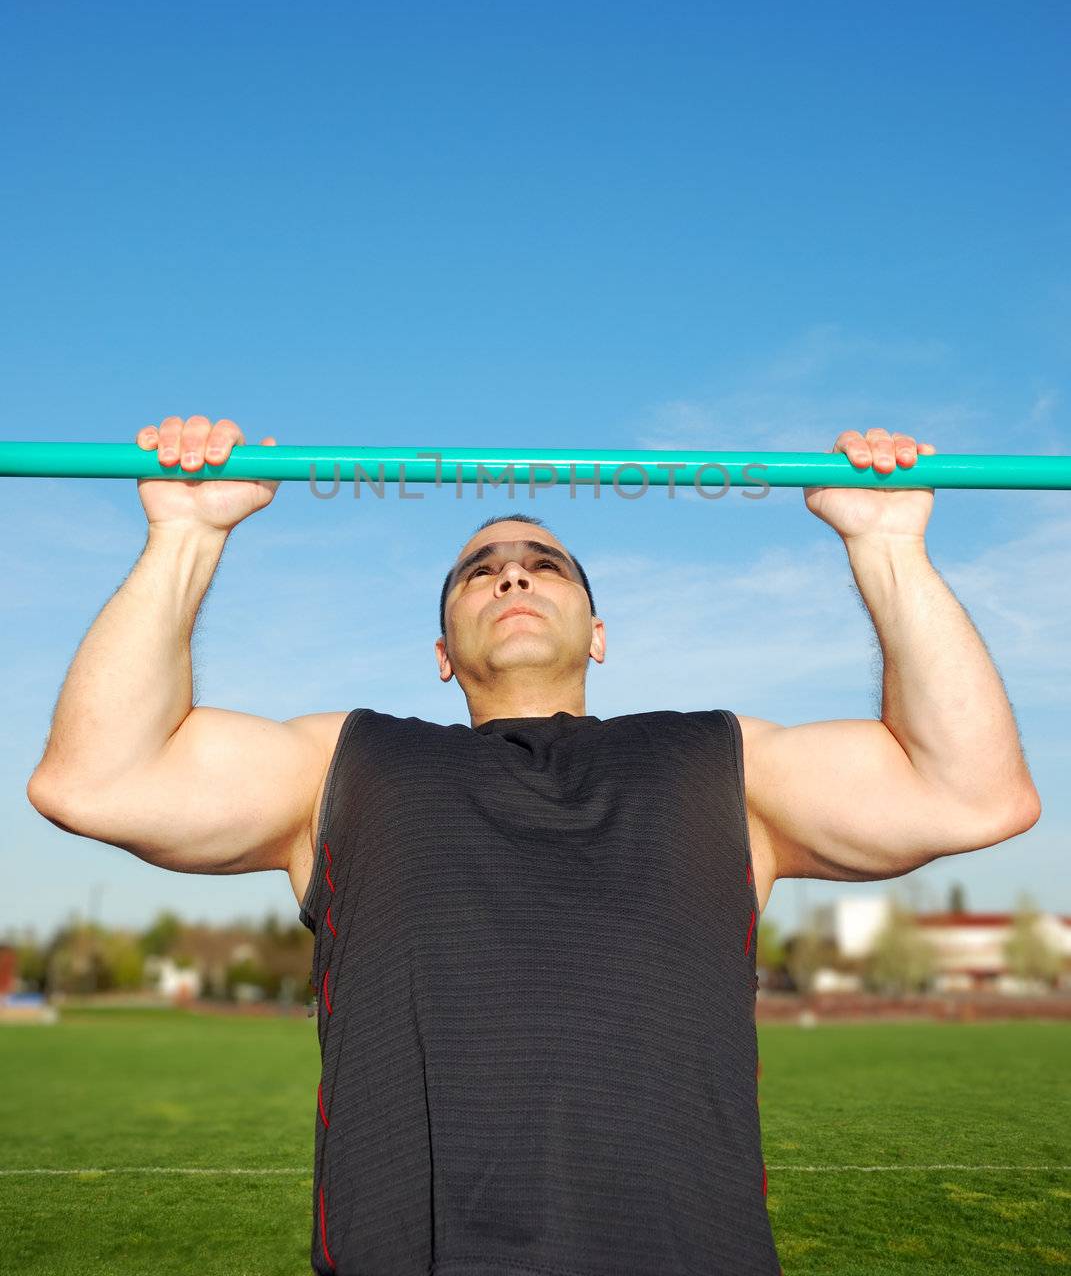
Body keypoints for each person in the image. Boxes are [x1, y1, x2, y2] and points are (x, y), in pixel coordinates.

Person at [26, 414, 1042, 1276]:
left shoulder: (719, 763)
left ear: (599, 630)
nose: (511, 570)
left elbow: (972, 793)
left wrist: (890, 546)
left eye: (543, 563)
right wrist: (185, 534)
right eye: (479, 571)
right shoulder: (348, 764)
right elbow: (96, 778)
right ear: (440, 653)